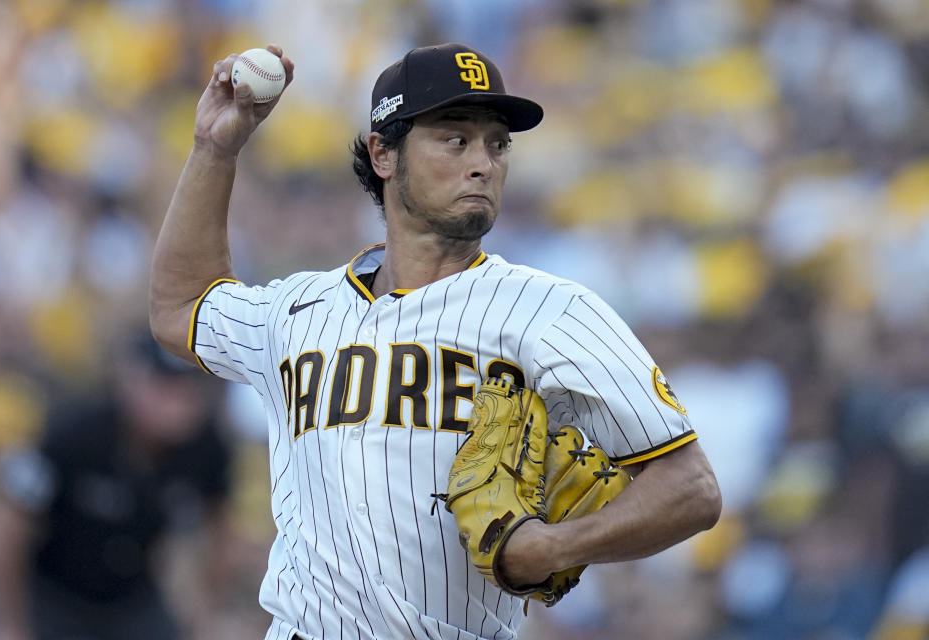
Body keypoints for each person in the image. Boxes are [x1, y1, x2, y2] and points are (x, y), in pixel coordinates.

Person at [149, 42, 722, 640]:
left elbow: (691, 489)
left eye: (497, 144)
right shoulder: (299, 309)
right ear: (383, 153)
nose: (484, 163)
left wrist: (553, 545)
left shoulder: (551, 312)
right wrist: (215, 149)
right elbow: (180, 308)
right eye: (455, 139)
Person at [0, 332, 234, 640]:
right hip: (55, 595)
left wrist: (205, 610)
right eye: (164, 385)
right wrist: (11, 623)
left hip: (132, 597)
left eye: (187, 387)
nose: (176, 402)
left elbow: (221, 528)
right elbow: (12, 524)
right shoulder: (74, 433)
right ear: (130, 380)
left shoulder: (207, 449)